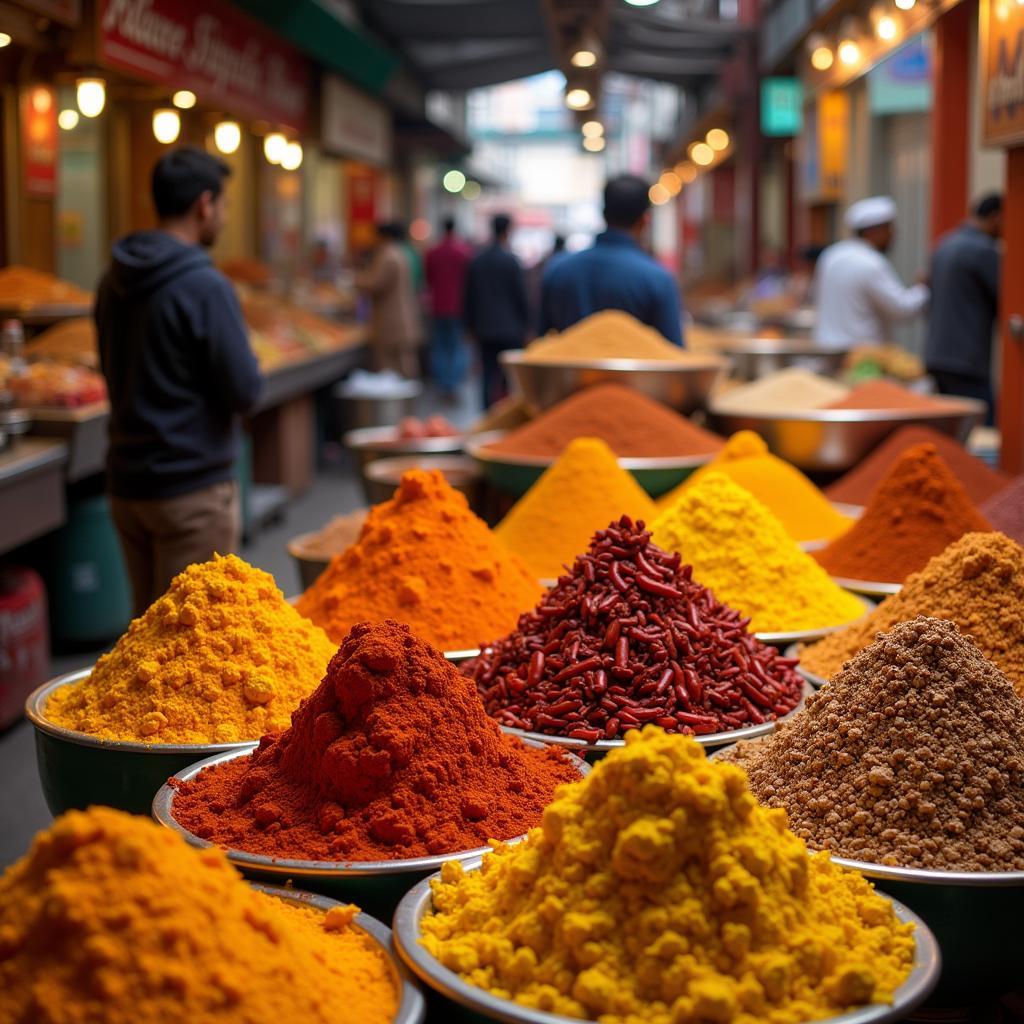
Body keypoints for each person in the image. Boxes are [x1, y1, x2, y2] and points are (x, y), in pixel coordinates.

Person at [95, 147, 263, 617]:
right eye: (224, 207)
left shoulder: (113, 279)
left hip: (128, 485)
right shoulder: (205, 285)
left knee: (147, 639)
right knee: (190, 649)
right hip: (191, 492)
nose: (224, 218)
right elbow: (245, 390)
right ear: (204, 205)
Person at [540, 176, 684, 346]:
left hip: (568, 373)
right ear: (645, 220)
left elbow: (539, 342)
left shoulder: (557, 269)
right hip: (637, 373)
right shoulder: (658, 279)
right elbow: (673, 353)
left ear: (603, 214)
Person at [925, 193, 1003, 423]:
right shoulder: (983, 250)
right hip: (966, 358)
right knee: (981, 427)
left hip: (938, 354)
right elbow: (1007, 299)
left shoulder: (945, 244)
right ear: (996, 217)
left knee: (953, 425)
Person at [813, 196, 929, 349]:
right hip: (861, 356)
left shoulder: (832, 254)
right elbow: (902, 309)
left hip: (826, 348)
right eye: (889, 229)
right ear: (874, 231)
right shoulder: (871, 262)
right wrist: (923, 287)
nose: (893, 235)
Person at [463, 213, 530, 408]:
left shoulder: (478, 260)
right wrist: (526, 325)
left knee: (487, 374)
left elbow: (469, 296)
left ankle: (486, 411)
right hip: (510, 328)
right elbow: (521, 296)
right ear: (508, 231)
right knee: (509, 377)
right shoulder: (511, 261)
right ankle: (506, 412)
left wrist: (469, 325)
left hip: (484, 327)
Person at [355, 221, 423, 378]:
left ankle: (399, 402)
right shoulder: (402, 253)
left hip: (391, 321)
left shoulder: (387, 255)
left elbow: (375, 283)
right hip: (403, 318)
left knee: (392, 369)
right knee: (404, 364)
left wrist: (357, 279)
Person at [425, 217, 471, 398]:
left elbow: (428, 278)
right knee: (455, 346)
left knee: (440, 346)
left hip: (437, 306)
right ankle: (453, 382)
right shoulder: (463, 252)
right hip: (458, 306)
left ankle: (442, 381)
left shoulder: (433, 252)